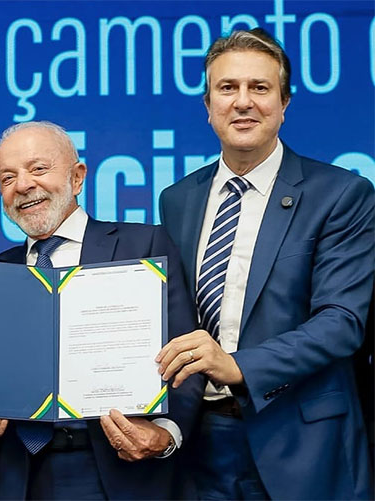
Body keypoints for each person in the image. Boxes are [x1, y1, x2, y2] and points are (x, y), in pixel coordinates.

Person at [157, 28, 374, 499]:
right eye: (227, 88)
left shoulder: (341, 194)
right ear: (208, 105)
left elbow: (342, 322)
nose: (243, 102)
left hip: (302, 444)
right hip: (199, 445)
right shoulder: (177, 199)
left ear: (284, 102)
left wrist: (238, 366)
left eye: (259, 87)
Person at [0, 121, 204, 500]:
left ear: (77, 177)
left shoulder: (144, 246)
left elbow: (186, 356)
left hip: (121, 472)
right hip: (21, 476)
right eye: (7, 178)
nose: (23, 185)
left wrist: (166, 433)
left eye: (38, 168)